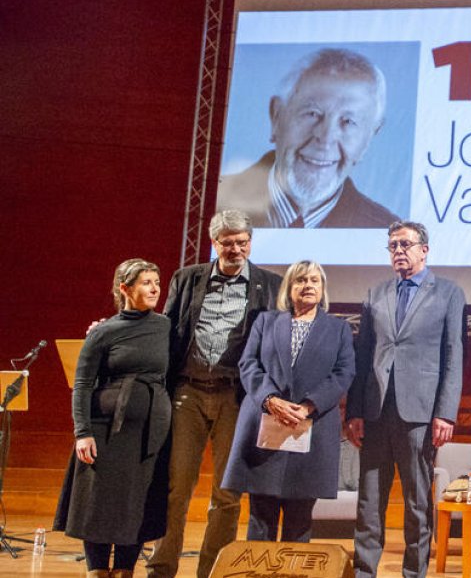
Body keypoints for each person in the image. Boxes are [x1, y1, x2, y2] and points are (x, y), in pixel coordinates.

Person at [148, 210, 282, 578]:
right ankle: (161, 567)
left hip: (236, 398)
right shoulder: (187, 278)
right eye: (228, 242)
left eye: (242, 242)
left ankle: (213, 570)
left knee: (227, 493)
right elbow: (164, 327)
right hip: (187, 394)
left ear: (250, 243)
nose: (236, 248)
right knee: (176, 488)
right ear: (214, 243)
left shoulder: (271, 284)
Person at [346, 220, 465, 578]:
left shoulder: (448, 292)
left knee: (417, 504)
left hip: (420, 413)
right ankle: (365, 572)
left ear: (423, 250)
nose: (398, 251)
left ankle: (414, 573)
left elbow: (453, 355)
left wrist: (445, 413)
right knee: (368, 503)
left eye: (405, 245)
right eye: (393, 246)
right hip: (375, 410)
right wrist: (354, 411)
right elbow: (363, 355)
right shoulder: (375, 294)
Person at [221, 260, 356, 541]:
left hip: (311, 427)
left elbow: (344, 372)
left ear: (323, 288)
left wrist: (308, 405)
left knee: (299, 520)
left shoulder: (338, 329)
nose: (308, 285)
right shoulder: (265, 321)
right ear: (289, 288)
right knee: (261, 517)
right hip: (265, 425)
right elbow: (248, 364)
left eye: (314, 280)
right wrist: (270, 399)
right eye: (300, 280)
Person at [55, 259, 171, 578]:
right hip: (106, 430)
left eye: (156, 282)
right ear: (125, 288)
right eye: (146, 282)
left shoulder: (164, 325)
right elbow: (81, 384)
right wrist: (83, 432)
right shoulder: (104, 331)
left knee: (136, 502)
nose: (155, 288)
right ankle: (96, 572)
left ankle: (124, 571)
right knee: (99, 502)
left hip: (150, 430)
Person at [216, 47, 397, 228]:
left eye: (348, 122)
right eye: (312, 114)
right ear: (277, 117)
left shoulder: (387, 233)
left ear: (370, 137)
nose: (326, 139)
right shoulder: (211, 203)